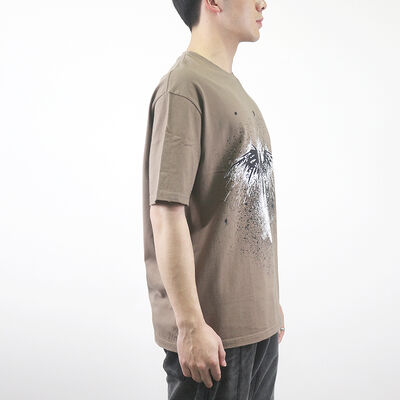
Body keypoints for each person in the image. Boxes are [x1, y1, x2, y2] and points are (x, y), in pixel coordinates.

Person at [142, 0, 285, 398]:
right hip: (213, 338)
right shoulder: (184, 87)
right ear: (214, 2)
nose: (263, 3)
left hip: (257, 329)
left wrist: (267, 305)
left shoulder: (236, 91)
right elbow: (166, 213)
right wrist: (190, 325)